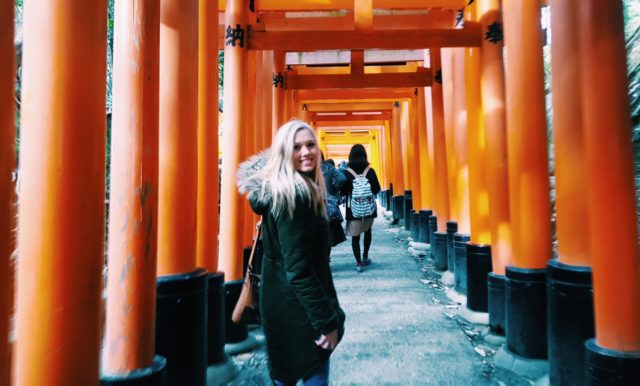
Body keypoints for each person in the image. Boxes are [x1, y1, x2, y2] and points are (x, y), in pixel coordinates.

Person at [237, 120, 346, 386]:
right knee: (313, 373)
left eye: (310, 145)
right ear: (285, 153)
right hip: (299, 311)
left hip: (281, 302)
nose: (306, 152)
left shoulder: (286, 189)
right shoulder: (294, 199)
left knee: (286, 376)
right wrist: (326, 321)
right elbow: (299, 271)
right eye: (296, 147)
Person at [341, 144, 381, 273]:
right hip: (369, 209)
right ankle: (365, 256)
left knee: (355, 237)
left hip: (353, 210)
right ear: (365, 155)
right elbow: (377, 189)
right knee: (368, 232)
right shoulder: (370, 171)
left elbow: (342, 191)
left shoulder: (346, 172)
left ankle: (358, 263)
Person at [321, 151, 347, 250]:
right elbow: (342, 178)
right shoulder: (329, 168)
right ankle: (326, 257)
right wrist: (334, 189)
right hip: (328, 204)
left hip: (313, 203)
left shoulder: (308, 169)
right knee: (329, 231)